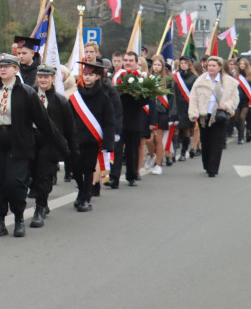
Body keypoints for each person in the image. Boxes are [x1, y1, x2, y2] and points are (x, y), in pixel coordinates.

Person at [0, 57, 68, 238]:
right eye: (0, 66)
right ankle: (0, 222)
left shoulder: (26, 93)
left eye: (7, 67)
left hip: (18, 145)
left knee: (15, 184)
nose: (2, 70)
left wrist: (63, 145)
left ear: (16, 69)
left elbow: (44, 122)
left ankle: (18, 219)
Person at [29, 65, 76, 228]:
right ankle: (42, 200)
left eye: (46, 77)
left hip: (50, 142)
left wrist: (71, 149)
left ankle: (40, 207)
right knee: (32, 174)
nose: (42, 80)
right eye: (40, 77)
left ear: (53, 79)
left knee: (44, 174)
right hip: (31, 140)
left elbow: (69, 127)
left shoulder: (60, 101)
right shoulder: (30, 96)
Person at [67, 60, 116, 212]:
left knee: (88, 169)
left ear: (97, 77)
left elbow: (109, 120)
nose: (87, 77)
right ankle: (82, 191)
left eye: (91, 75)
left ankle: (86, 198)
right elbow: (68, 118)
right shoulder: (75, 96)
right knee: (75, 168)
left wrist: (108, 142)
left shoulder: (103, 97)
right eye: (85, 74)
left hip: (92, 140)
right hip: (75, 139)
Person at [188, 55, 239, 178]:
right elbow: (193, 97)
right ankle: (207, 164)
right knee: (206, 141)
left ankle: (213, 168)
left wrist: (227, 105)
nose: (211, 68)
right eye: (209, 65)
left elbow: (234, 98)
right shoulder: (200, 80)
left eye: (213, 66)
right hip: (204, 116)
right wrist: (194, 112)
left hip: (220, 115)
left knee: (217, 142)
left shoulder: (228, 81)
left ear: (219, 67)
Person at [110, 51, 148, 187]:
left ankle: (131, 175)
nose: (127, 62)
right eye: (125, 60)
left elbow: (146, 100)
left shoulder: (142, 78)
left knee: (132, 149)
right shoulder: (116, 77)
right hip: (119, 119)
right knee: (117, 149)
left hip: (134, 118)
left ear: (136, 62)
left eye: (131, 60)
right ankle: (114, 178)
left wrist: (135, 93)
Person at [147, 55, 174, 174]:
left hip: (162, 112)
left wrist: (173, 116)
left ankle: (159, 164)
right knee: (149, 139)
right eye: (155, 65)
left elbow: (172, 98)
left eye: (159, 65)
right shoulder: (147, 79)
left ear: (162, 67)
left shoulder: (167, 80)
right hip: (150, 113)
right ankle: (152, 155)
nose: (156, 67)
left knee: (158, 140)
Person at [172, 55, 198, 160]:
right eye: (181, 63)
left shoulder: (194, 77)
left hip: (188, 106)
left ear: (189, 64)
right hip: (177, 106)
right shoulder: (175, 76)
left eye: (185, 63)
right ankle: (173, 152)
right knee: (175, 130)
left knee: (186, 130)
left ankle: (183, 153)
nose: (183, 65)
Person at [232, 57, 251, 144]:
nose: (242, 65)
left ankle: (241, 137)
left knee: (242, 117)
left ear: (247, 65)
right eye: (240, 64)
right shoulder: (235, 75)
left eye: (244, 64)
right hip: (237, 99)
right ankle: (243, 129)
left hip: (247, 100)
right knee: (236, 119)